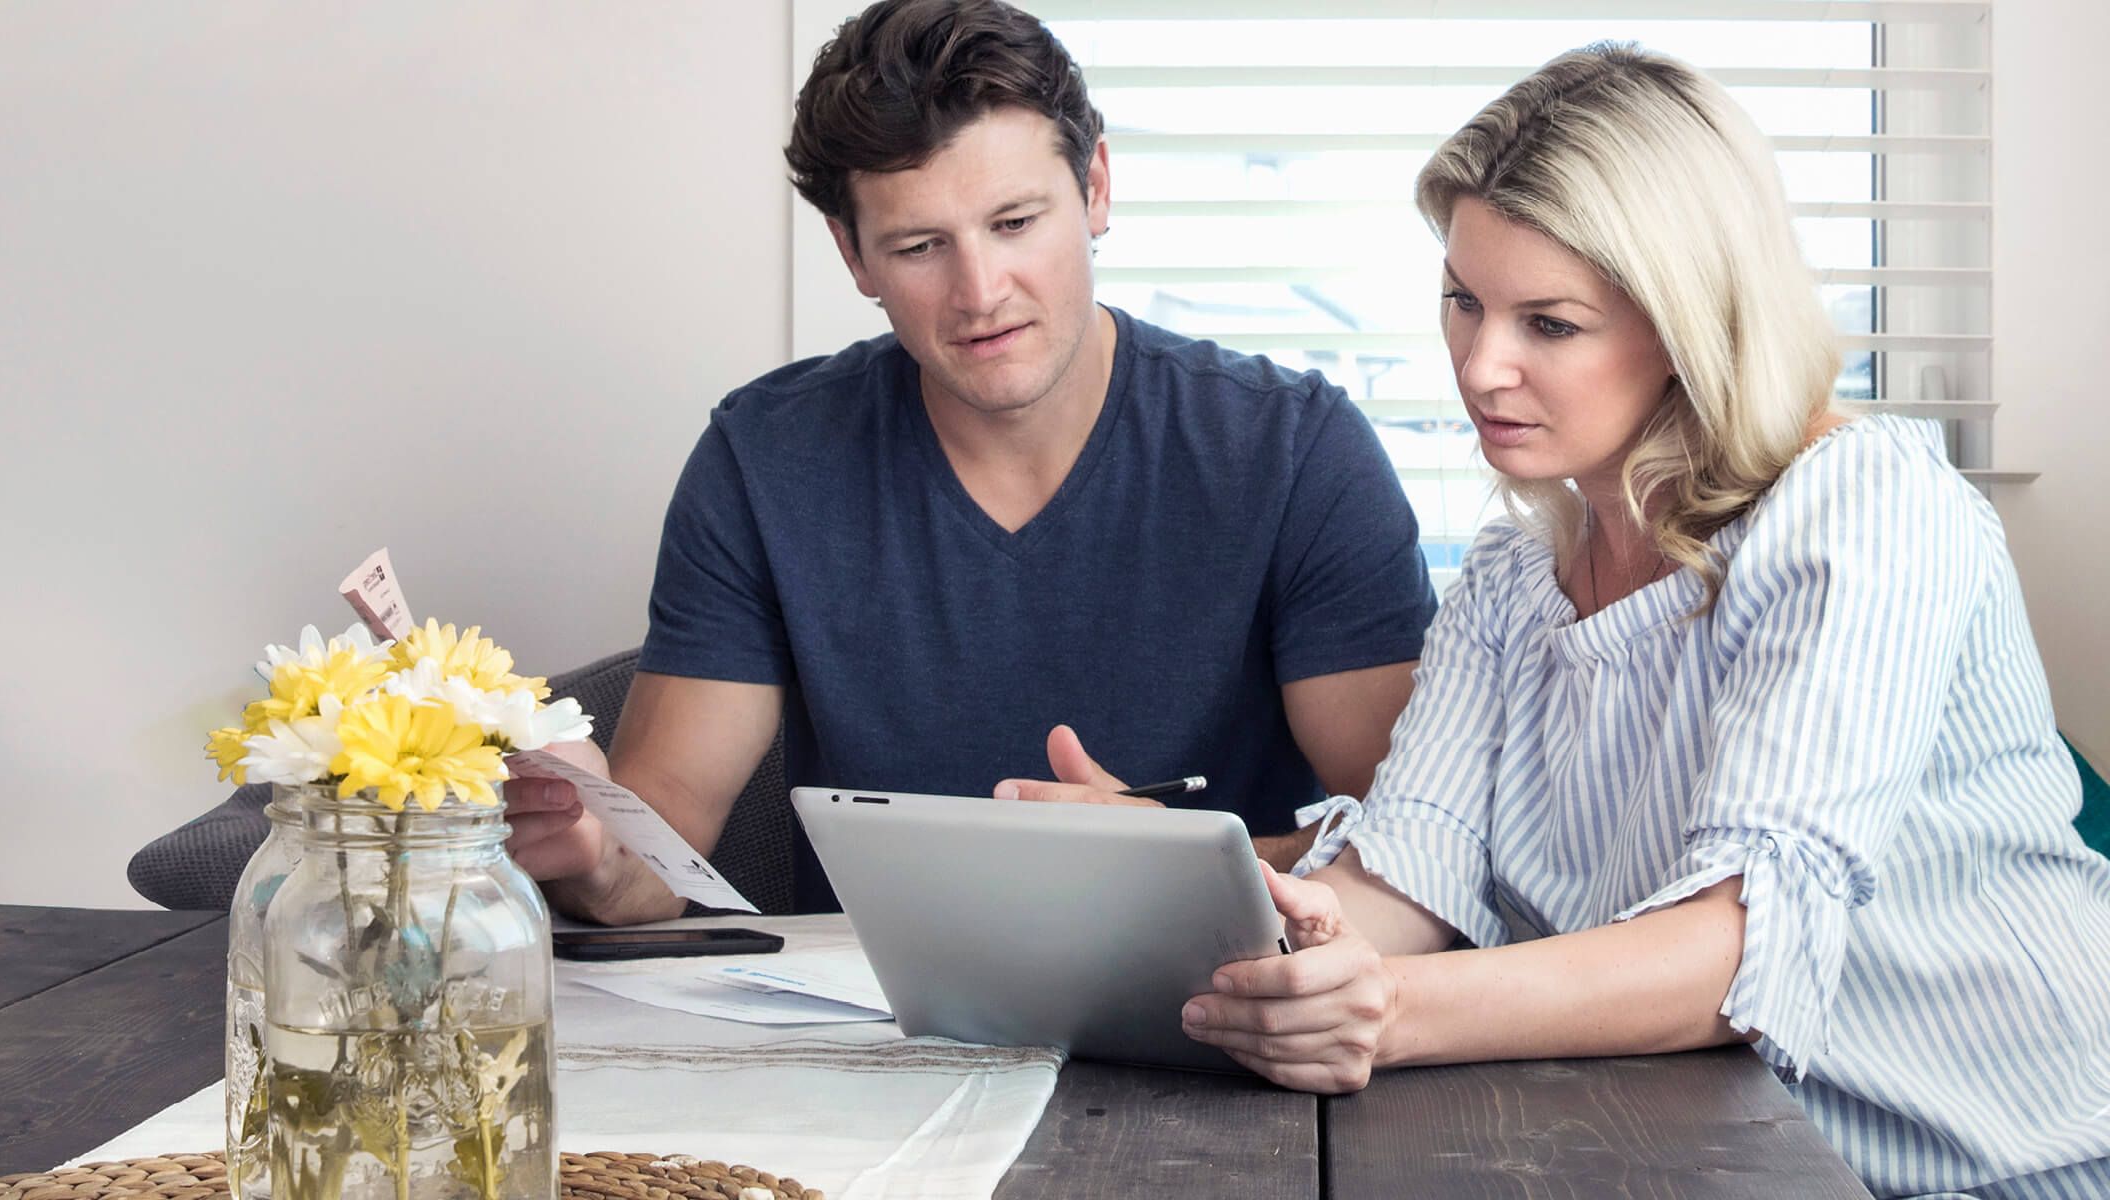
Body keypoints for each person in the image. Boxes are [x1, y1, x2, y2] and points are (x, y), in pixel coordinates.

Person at [1165, 44, 2110, 1199]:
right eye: (1464, 300)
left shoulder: (1864, 509)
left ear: (1688, 323)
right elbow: (1410, 877)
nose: (1481, 366)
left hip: (1993, 1169)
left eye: (1548, 324)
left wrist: (1390, 1009)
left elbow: (1734, 950)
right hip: (1703, 1151)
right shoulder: (1515, 576)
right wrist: (1279, 927)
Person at [505, 0, 1437, 924]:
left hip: (1225, 1019)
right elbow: (657, 857)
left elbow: (1419, 852)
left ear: (1097, 188)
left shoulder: (1297, 452)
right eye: (920, 247)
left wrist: (1184, 855)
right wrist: (592, 853)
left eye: (1017, 223)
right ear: (853, 255)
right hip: (881, 1038)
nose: (981, 293)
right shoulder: (765, 461)